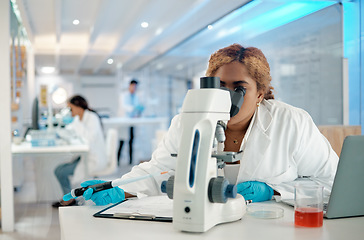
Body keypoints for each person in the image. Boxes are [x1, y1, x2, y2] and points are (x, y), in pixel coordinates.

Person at [65, 43, 338, 206]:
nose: (227, 97)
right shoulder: (188, 121)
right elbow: (159, 169)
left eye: (239, 88)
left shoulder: (292, 122)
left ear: (261, 93)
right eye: (219, 87)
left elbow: (333, 181)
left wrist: (277, 191)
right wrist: (118, 187)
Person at [53, 95, 107, 207]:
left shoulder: (92, 118)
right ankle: (69, 197)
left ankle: (70, 199)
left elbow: (89, 139)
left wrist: (77, 126)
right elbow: (69, 131)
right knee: (58, 169)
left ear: (78, 107)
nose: (69, 111)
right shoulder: (78, 119)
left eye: (70, 108)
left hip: (93, 158)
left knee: (60, 172)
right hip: (83, 156)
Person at [117, 79, 143, 165]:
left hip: (132, 121)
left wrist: (138, 111)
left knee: (131, 140)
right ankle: (117, 161)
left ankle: (130, 161)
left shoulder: (136, 96)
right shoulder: (123, 95)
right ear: (129, 86)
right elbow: (124, 107)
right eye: (133, 86)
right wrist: (134, 108)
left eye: (135, 87)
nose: (134, 88)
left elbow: (137, 108)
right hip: (124, 121)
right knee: (122, 141)